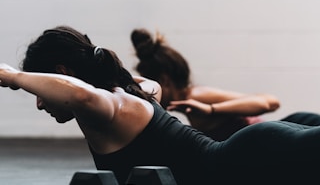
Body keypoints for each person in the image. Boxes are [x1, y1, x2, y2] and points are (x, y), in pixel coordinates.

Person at [1, 26, 320, 184]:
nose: (41, 102)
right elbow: (141, 83)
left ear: (62, 74)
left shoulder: (107, 105)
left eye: (40, 89)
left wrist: (14, 77)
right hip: (254, 152)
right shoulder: (133, 89)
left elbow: (81, 95)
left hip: (249, 161)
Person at [131, 28, 320, 140]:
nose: (148, 93)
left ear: (164, 80)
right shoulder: (189, 106)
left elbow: (269, 102)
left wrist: (211, 110)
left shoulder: (196, 96)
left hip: (279, 138)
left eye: (149, 84)